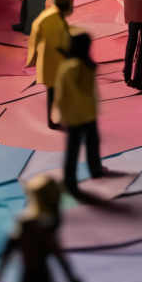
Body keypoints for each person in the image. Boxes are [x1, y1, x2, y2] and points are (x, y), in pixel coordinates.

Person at [53, 30, 106, 195]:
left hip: (79, 114)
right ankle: (91, 170)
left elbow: (61, 95)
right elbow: (65, 95)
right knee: (86, 145)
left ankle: (73, 180)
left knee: (77, 148)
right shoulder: (82, 66)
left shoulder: (73, 67)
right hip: (84, 114)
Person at [27, 0, 76, 128]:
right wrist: (32, 58)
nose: (73, 3)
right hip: (52, 63)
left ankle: (60, 116)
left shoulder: (55, 16)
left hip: (57, 62)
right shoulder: (49, 19)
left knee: (58, 92)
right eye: (71, 0)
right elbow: (37, 37)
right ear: (65, 2)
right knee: (53, 93)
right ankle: (52, 121)